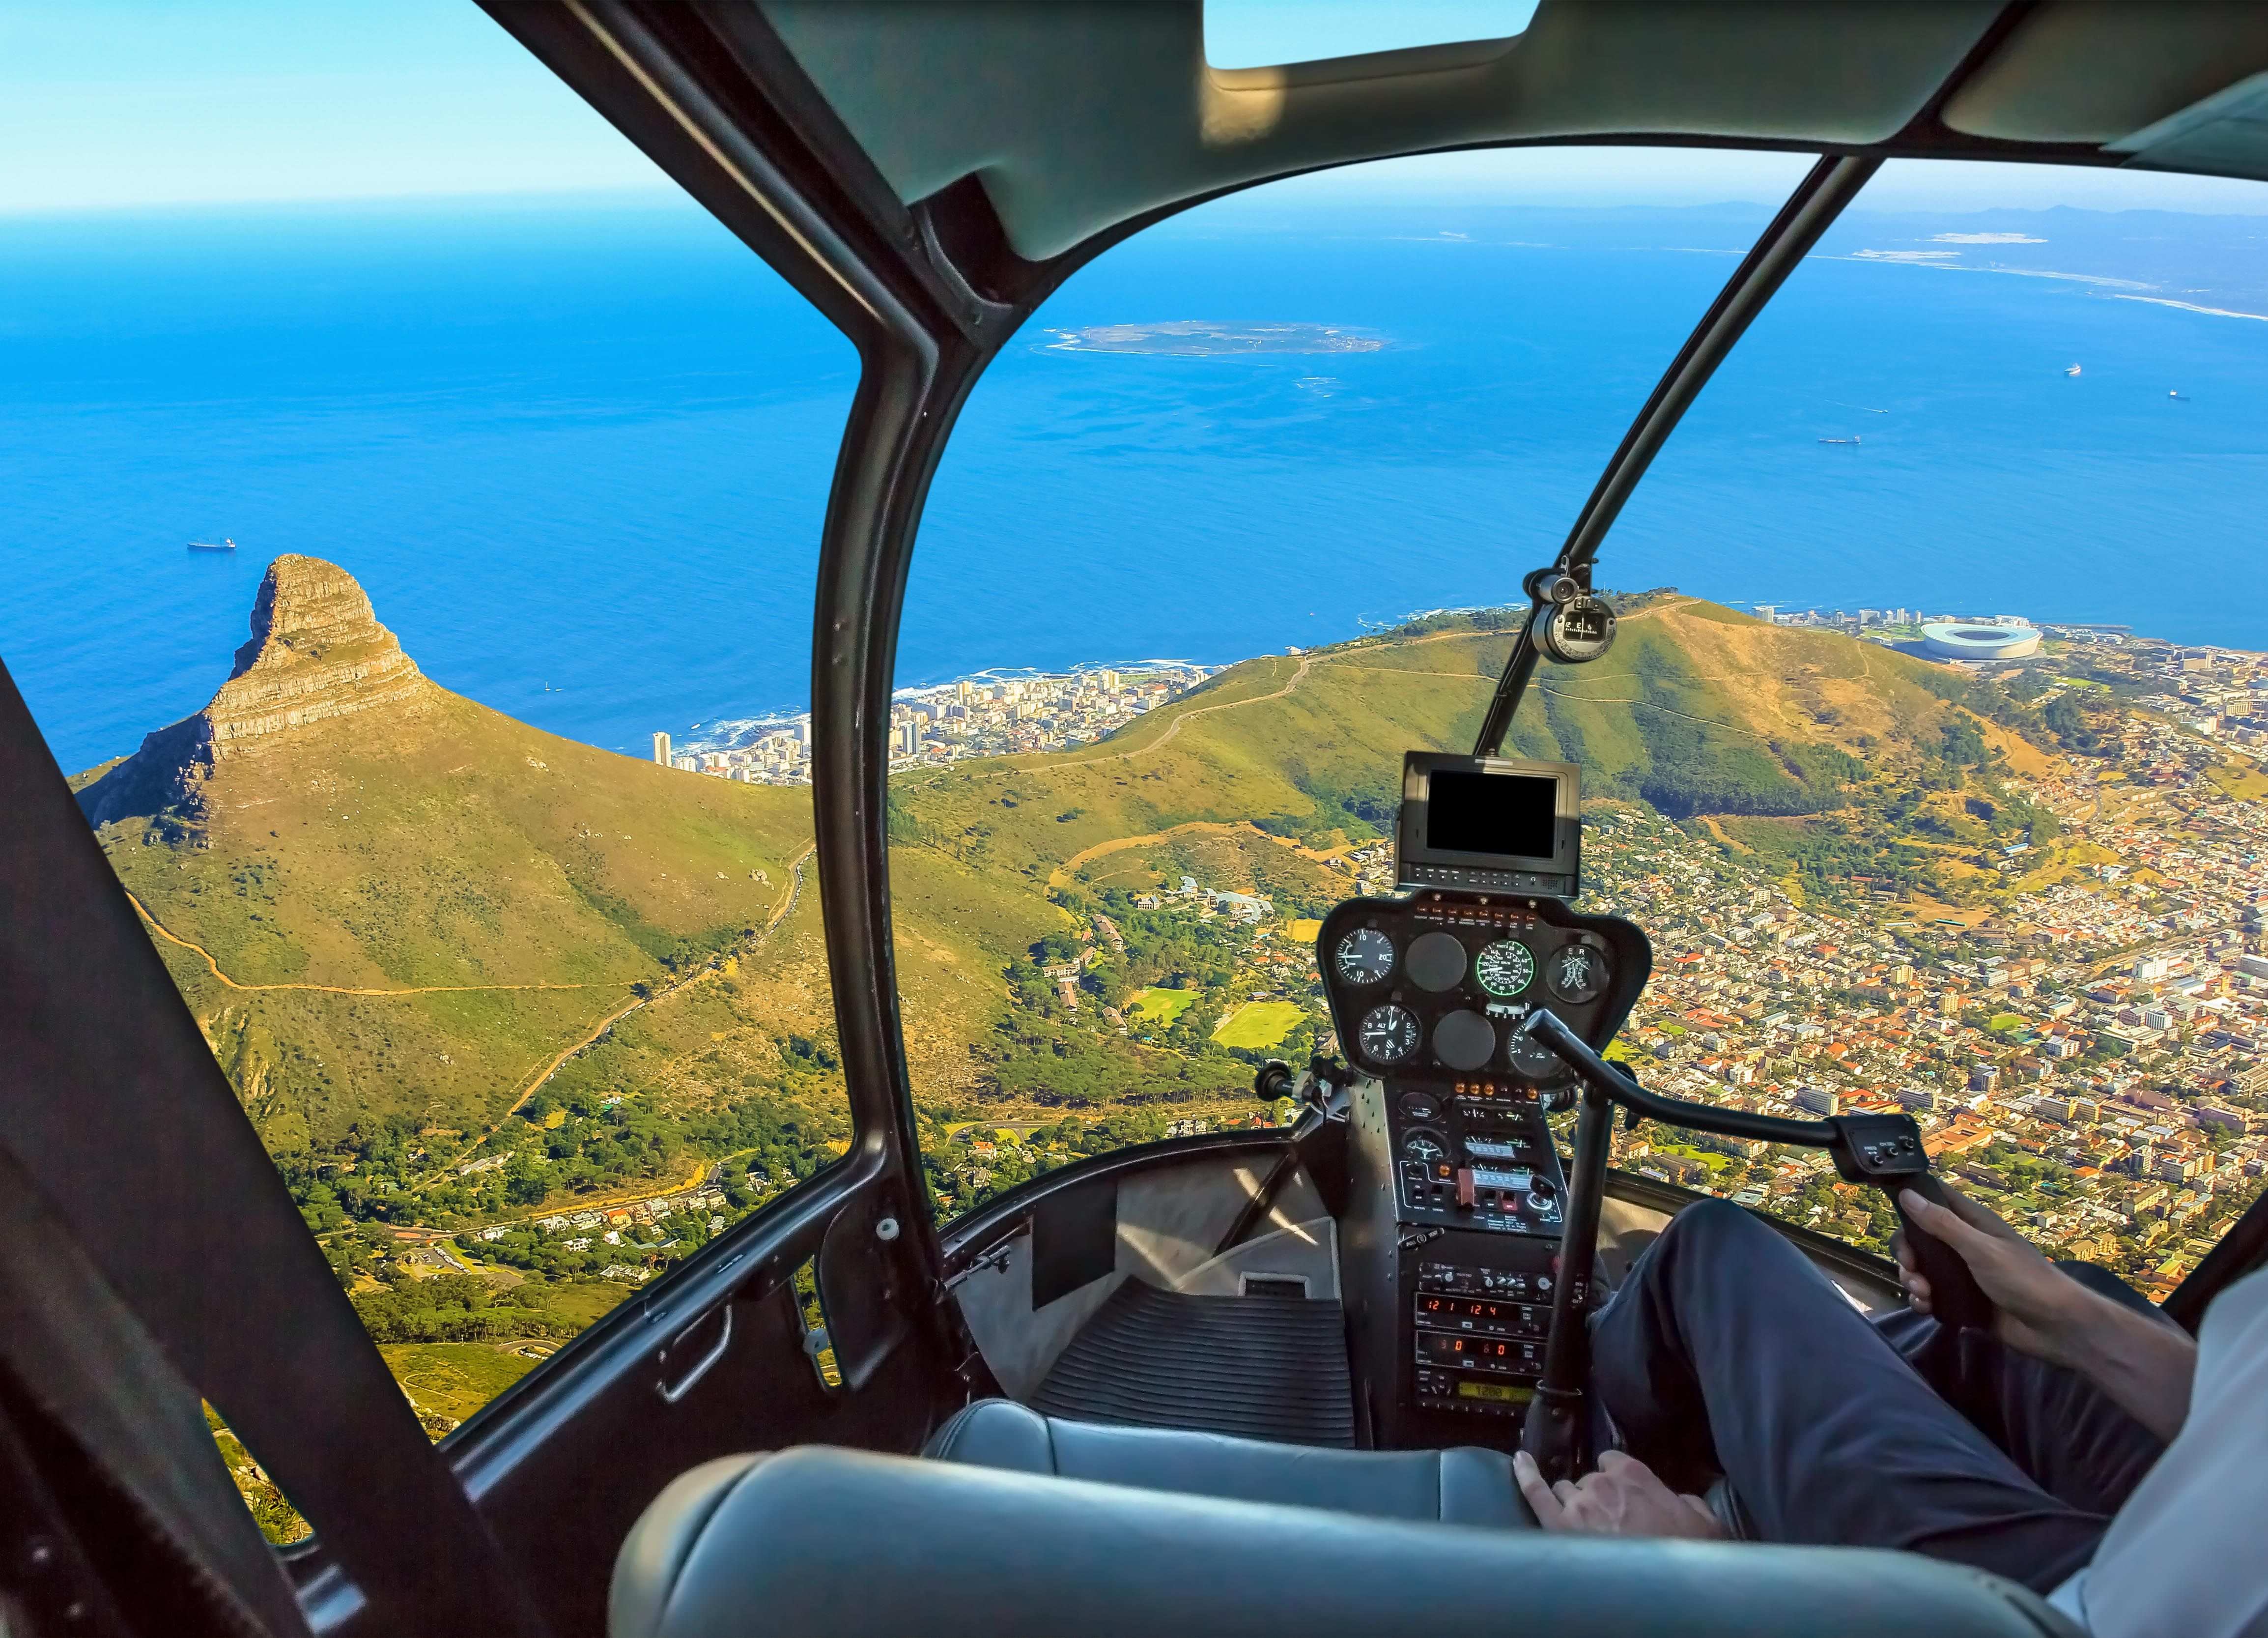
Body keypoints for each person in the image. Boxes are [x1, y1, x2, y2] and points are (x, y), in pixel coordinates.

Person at [1510, 1184, 2268, 1638]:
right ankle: (1772, 1440)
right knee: (2058, 1307)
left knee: (1713, 1252)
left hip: (2088, 1612)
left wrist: (1708, 1585)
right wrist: (2070, 1318)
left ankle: (1600, 1447)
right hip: (2229, 1504)